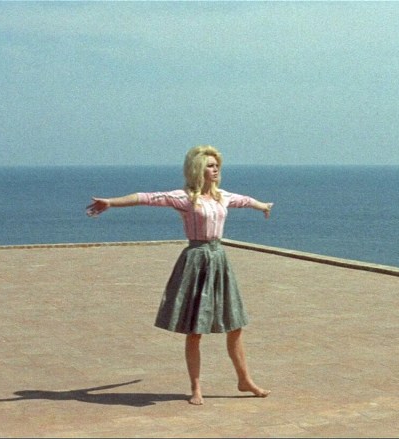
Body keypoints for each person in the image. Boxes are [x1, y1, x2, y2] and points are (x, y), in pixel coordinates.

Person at [85, 145, 273, 405]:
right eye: (209, 165)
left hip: (219, 260)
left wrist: (263, 206)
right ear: (198, 169)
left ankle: (244, 380)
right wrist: (111, 202)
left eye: (217, 165)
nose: (215, 169)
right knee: (195, 330)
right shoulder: (185, 198)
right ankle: (196, 387)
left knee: (235, 325)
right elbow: (146, 197)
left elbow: (246, 201)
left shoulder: (222, 196)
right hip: (196, 260)